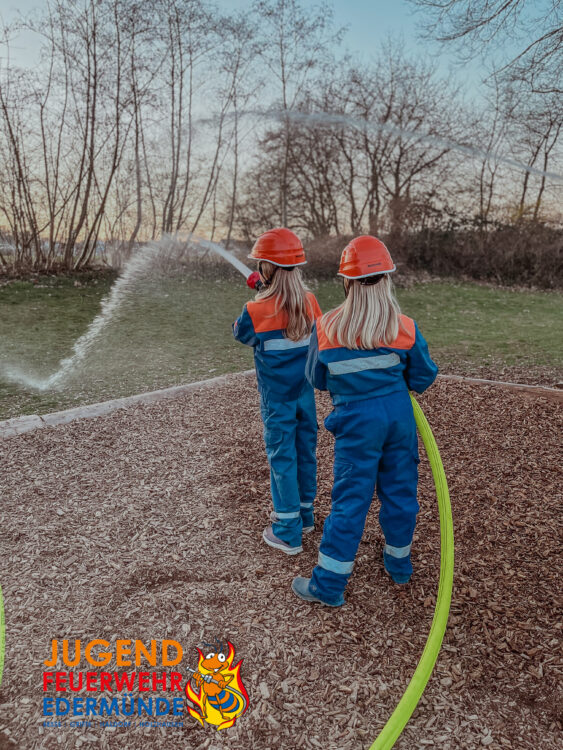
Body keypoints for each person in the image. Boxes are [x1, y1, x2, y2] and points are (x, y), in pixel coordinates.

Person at [292, 235, 438, 606]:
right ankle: (398, 563)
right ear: (386, 279)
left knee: (350, 500)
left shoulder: (327, 328)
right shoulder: (404, 328)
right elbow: (424, 377)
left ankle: (329, 585)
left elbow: (317, 378)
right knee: (401, 492)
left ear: (347, 281)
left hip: (356, 422)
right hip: (398, 419)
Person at [233, 228, 322, 555]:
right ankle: (305, 515)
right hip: (305, 394)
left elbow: (241, 333)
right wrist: (267, 291)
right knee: (305, 451)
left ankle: (287, 530)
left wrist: (261, 294)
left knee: (282, 457)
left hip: (277, 400)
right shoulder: (310, 302)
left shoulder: (254, 310)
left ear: (266, 269)